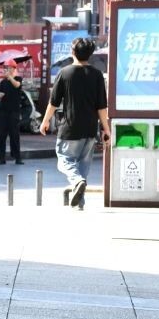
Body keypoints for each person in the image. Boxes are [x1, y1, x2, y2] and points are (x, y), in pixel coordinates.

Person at [40, 36, 109, 210]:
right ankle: (80, 202)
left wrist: (45, 121)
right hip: (90, 129)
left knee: (64, 160)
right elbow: (102, 106)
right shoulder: (97, 75)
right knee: (83, 166)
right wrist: (106, 129)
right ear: (90, 54)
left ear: (73, 52)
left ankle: (77, 182)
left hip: (70, 128)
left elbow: (53, 102)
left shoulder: (65, 73)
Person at [0, 60, 25, 164]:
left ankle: (17, 157)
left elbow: (17, 85)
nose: (6, 70)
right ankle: (1, 158)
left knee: (14, 135)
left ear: (13, 68)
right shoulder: (3, 82)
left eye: (8, 68)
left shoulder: (18, 79)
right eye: (5, 68)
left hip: (14, 111)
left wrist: (10, 77)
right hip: (3, 111)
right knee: (1, 135)